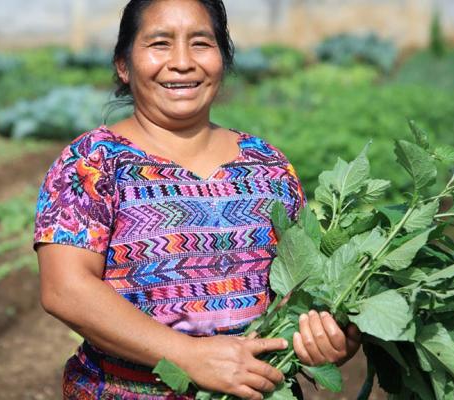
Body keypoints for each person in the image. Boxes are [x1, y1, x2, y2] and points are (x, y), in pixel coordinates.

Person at [33, 1, 361, 398]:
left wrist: (323, 338)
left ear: (223, 59)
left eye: (201, 43)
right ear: (124, 64)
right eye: (160, 43)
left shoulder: (269, 166)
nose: (182, 62)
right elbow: (65, 289)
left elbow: (296, 292)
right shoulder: (93, 163)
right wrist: (187, 356)